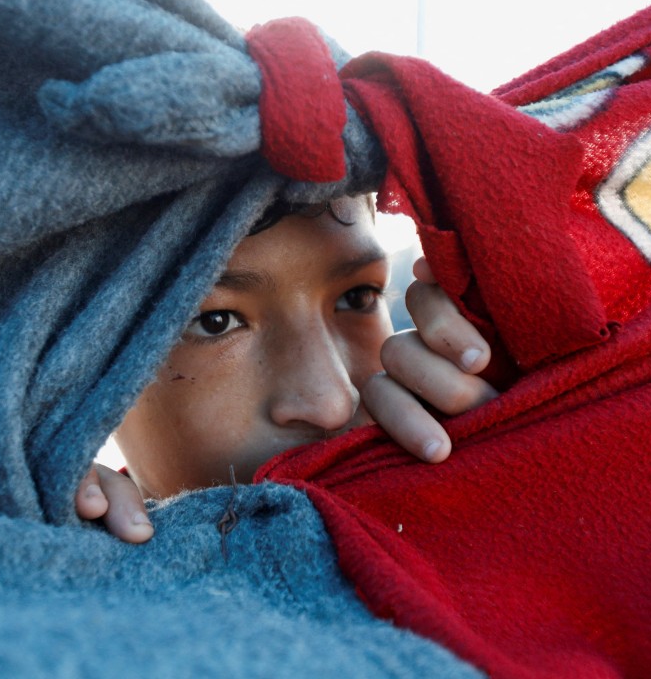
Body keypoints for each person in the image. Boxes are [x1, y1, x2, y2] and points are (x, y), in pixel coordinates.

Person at [75, 195, 497, 543]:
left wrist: (511, 464)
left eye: (357, 297)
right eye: (215, 322)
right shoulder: (68, 603)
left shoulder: (467, 480)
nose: (332, 403)